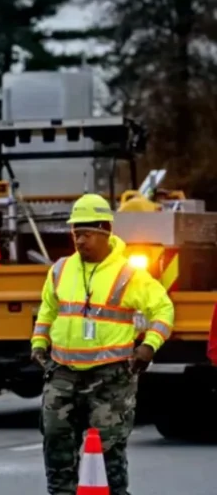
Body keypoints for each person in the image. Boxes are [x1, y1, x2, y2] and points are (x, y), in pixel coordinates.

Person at [31, 193, 175, 495]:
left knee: (108, 450)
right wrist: (39, 342)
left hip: (109, 378)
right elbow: (48, 308)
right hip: (62, 372)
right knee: (56, 440)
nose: (79, 241)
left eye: (85, 234)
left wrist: (148, 346)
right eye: (75, 233)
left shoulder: (128, 274)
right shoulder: (60, 269)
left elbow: (163, 309)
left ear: (104, 230)